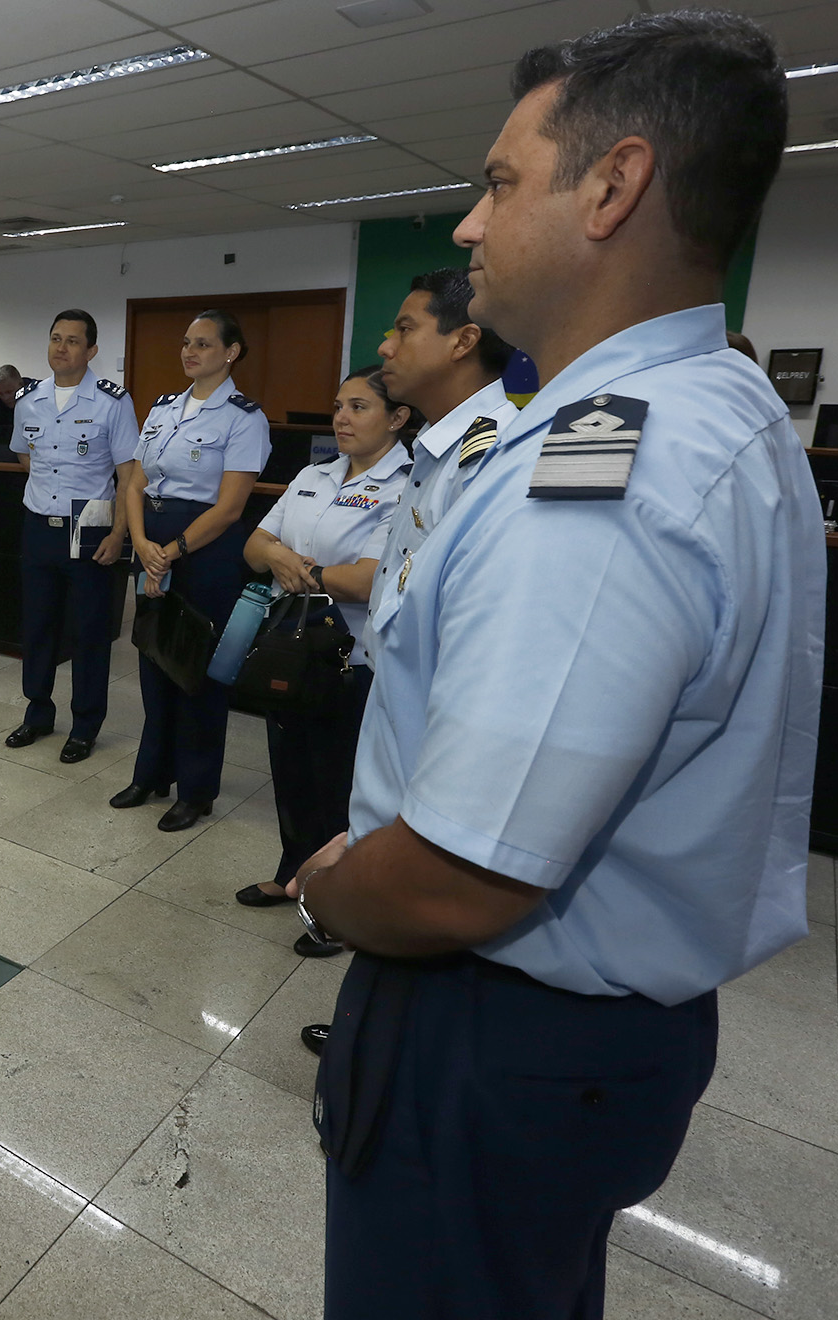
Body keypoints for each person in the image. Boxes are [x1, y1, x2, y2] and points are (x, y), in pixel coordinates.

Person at [289, 13, 819, 1318]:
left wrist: (334, 890)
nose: (468, 226)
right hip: (599, 1035)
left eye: (500, 182)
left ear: (615, 185)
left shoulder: (601, 477)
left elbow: (465, 879)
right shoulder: (722, 405)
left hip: (491, 1028)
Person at [294, 266, 520, 1049]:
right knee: (390, 973)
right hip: (395, 744)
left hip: (436, 762)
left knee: (425, 976)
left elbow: (473, 647)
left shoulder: (491, 457)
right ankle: (373, 1029)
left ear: (463, 340)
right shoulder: (438, 449)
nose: (385, 346)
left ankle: (388, 1046)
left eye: (403, 328)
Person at [235, 368, 414, 947]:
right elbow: (254, 546)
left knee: (339, 783)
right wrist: (298, 566)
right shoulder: (314, 474)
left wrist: (295, 566)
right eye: (338, 405)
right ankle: (292, 873)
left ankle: (334, 907)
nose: (341, 417)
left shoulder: (404, 485)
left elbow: (366, 580)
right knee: (290, 771)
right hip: (288, 648)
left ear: (397, 417)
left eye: (359, 407)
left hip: (350, 657)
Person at [111, 310, 271, 831]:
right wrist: (140, 542)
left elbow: (228, 509)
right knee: (154, 659)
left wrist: (172, 550)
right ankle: (152, 773)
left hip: (205, 551)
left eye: (202, 344)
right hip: (152, 540)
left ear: (231, 352)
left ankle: (197, 789)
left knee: (198, 673)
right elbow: (134, 482)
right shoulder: (162, 408)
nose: (189, 352)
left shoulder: (244, 418)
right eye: (186, 343)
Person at [2, 310, 135, 763]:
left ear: (91, 351)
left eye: (73, 341)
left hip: (90, 522)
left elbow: (128, 474)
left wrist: (119, 533)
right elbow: (25, 456)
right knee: (37, 625)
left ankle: (85, 724)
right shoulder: (28, 399)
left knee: (89, 631)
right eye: (56, 339)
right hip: (39, 523)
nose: (62, 348)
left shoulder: (112, 402)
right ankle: (38, 712)